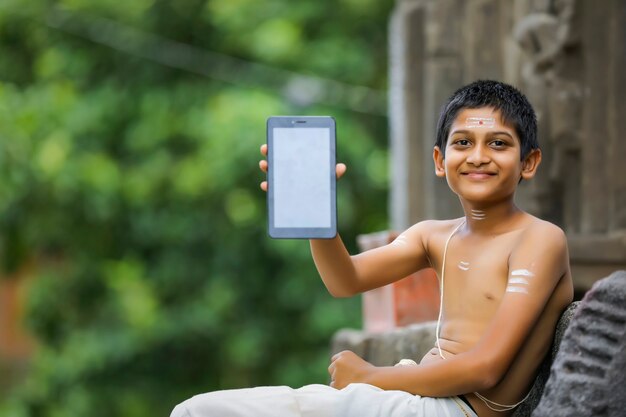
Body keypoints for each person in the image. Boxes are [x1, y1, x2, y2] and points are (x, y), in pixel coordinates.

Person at [170, 80, 573, 417]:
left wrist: (369, 376)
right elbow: (345, 280)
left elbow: (486, 369)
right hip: (408, 397)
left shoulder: (539, 239)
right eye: (463, 142)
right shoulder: (434, 235)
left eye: (499, 144)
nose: (479, 156)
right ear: (440, 159)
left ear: (529, 162)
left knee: (199, 413)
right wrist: (319, 212)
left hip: (448, 410)